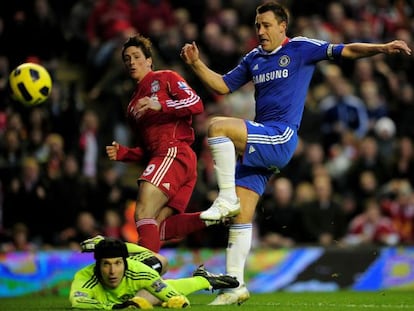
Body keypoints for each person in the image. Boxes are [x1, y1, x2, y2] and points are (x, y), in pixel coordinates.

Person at [180, 0, 412, 305]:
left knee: (217, 126)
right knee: (241, 217)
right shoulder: (254, 58)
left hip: (281, 136)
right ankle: (235, 285)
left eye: (265, 25)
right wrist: (196, 64)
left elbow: (347, 50)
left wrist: (381, 47)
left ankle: (224, 197)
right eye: (256, 25)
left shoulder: (301, 48)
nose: (260, 31)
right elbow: (223, 86)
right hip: (261, 142)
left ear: (281, 26)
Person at [105, 34, 213, 253]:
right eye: (127, 59)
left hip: (175, 151)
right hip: (167, 159)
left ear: (149, 61)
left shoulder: (166, 78)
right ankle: (214, 216)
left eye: (136, 57)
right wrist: (125, 154)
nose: (131, 62)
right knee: (157, 225)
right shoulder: (133, 106)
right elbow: (148, 151)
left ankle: (145, 277)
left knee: (142, 212)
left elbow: (196, 103)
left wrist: (161, 104)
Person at [69, 237, 239, 309]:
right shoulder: (85, 277)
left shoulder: (139, 271)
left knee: (159, 263)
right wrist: (115, 307)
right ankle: (204, 280)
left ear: (125, 262)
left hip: (144, 265)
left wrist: (178, 302)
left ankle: (203, 280)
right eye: (106, 264)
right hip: (125, 293)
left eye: (118, 263)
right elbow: (78, 302)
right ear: (98, 265)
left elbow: (173, 297)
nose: (112, 271)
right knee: (144, 298)